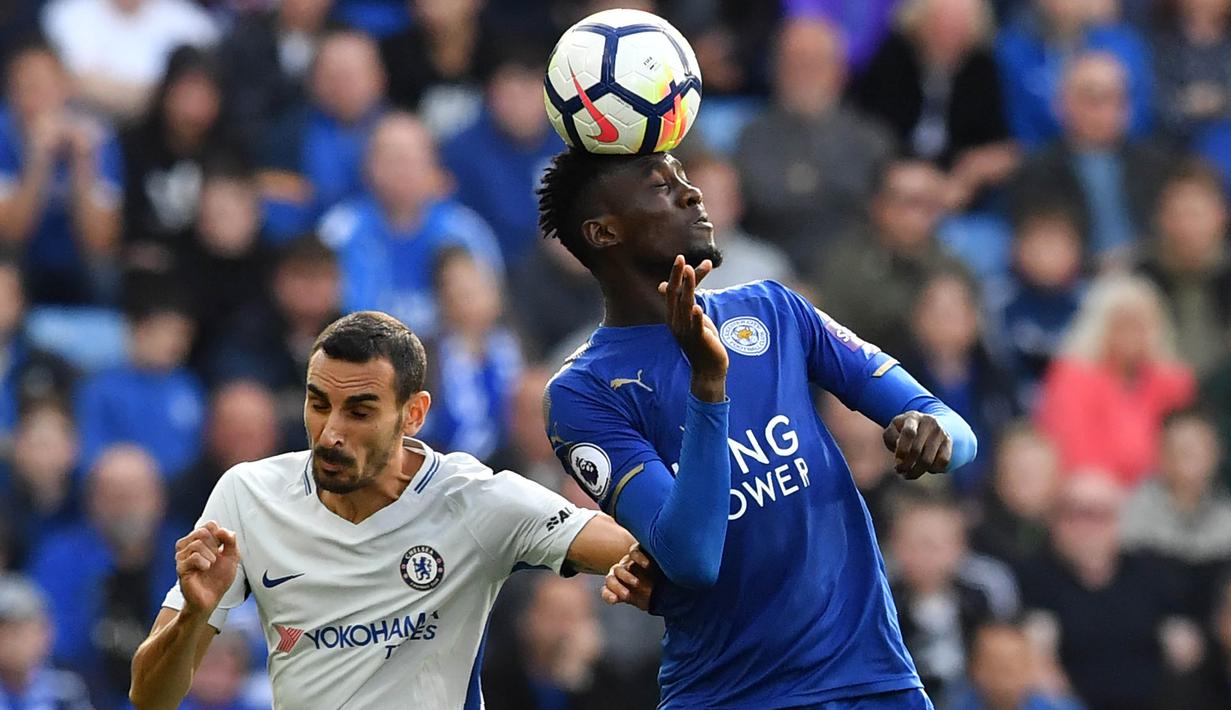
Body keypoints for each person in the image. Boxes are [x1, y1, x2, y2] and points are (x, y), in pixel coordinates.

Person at [539, 148, 977, 709]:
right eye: (659, 187)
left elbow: (954, 428)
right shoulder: (582, 393)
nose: (691, 194)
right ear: (603, 232)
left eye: (684, 178)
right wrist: (708, 385)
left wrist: (934, 434)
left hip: (872, 680)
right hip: (731, 694)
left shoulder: (774, 309)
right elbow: (693, 557)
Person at [128, 311, 644, 708]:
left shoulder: (474, 499)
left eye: (359, 411)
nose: (330, 432)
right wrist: (195, 615)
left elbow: (649, 553)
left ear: (413, 413)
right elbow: (150, 698)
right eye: (318, 403)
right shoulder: (248, 494)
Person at [320, 111, 502, 337]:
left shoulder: (466, 231)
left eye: (413, 159)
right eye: (393, 159)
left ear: (434, 167)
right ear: (368, 167)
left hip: (446, 362)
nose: (403, 170)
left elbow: (488, 312)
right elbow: (323, 313)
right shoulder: (339, 232)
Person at [735, 16, 895, 268]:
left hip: (852, 271)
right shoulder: (751, 135)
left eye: (815, 63)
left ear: (840, 72)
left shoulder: (871, 139)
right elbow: (759, 200)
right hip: (767, 269)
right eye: (794, 63)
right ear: (776, 69)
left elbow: (882, 213)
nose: (803, 74)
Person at [31, 444, 179, 707]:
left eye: (136, 495)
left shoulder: (186, 554)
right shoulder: (60, 558)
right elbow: (52, 642)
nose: (126, 508)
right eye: (115, 496)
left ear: (160, 500)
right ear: (92, 502)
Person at [1007, 52, 1173, 269]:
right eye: (1093, 99)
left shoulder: (1156, 165)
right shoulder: (1035, 172)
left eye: (1116, 99)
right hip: (1074, 283)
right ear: (1062, 104)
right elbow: (1039, 246)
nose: (1105, 111)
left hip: (1152, 277)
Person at [850, 0, 1018, 208]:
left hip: (957, 192)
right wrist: (915, 178)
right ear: (920, 21)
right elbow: (870, 126)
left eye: (958, 22)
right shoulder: (892, 57)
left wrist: (965, 177)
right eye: (941, 20)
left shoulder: (983, 69)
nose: (948, 29)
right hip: (893, 181)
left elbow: (999, 145)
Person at [1035, 273, 1195, 487]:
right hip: (1092, 493)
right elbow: (1070, 451)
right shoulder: (1071, 378)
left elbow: (1184, 449)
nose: (1133, 335)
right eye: (1122, 324)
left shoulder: (1175, 382)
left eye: (1142, 325)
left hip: (1161, 494)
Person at [0, 40, 122, 305]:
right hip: (20, 256)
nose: (36, 99)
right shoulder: (3, 134)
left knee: (106, 274)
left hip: (76, 256)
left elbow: (100, 242)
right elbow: (10, 234)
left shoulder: (97, 135)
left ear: (67, 87)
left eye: (45, 87)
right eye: (26, 89)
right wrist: (38, 161)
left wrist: (83, 165)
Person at [75, 288, 204, 479]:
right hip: (121, 488)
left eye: (182, 334)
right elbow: (90, 451)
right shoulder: (101, 388)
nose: (174, 343)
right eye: (164, 331)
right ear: (137, 332)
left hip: (182, 494)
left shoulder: (189, 387)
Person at [1121, 408, 1231, 617]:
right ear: (1161, 455)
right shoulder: (1132, 512)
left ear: (1215, 453)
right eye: (1180, 448)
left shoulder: (1227, 517)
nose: (1189, 456)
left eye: (1197, 447)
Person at [418, 247, 522, 461]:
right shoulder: (427, 356)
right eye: (459, 287)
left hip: (516, 465)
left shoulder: (518, 342)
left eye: (478, 285)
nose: (469, 295)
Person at [39, 0, 219, 120]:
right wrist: (153, 92)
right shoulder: (66, 13)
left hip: (160, 138)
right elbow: (66, 82)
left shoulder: (193, 23)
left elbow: (190, 95)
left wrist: (97, 86)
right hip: (85, 127)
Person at [1138, 160, 1231, 377]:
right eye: (1177, 215)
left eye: (1195, 214)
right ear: (1161, 219)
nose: (1186, 227)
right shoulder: (1139, 280)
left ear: (1220, 216)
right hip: (1158, 395)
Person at [0, 574, 93, 709]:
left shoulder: (66, 695)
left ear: (45, 632)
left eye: (17, 630)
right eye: (3, 631)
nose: (9, 641)